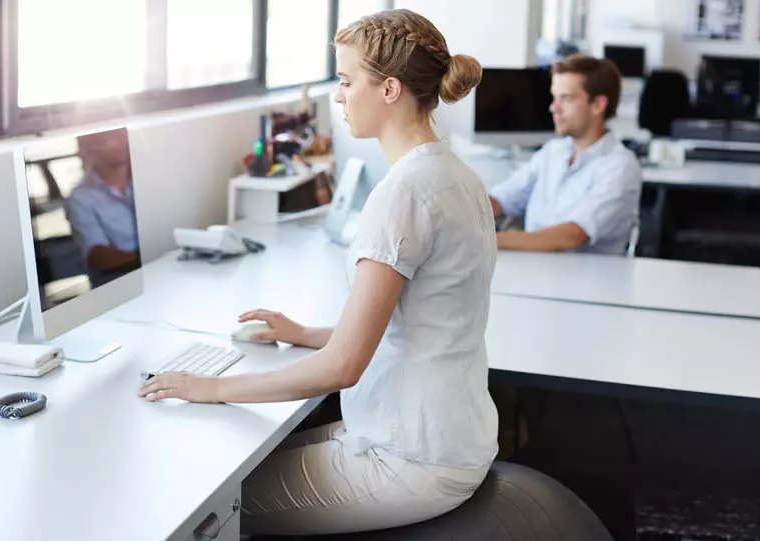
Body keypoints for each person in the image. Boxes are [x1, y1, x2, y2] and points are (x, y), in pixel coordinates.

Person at [138, 9, 499, 537]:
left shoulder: (402, 195)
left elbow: (342, 368)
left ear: (391, 90)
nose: (338, 95)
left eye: (348, 81)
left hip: (409, 459)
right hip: (447, 437)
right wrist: (306, 334)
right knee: (251, 455)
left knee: (205, 503)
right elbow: (417, 321)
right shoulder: (455, 175)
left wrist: (212, 387)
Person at [488, 55, 642, 255]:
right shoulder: (552, 152)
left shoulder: (620, 166)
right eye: (554, 98)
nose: (554, 108)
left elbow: (572, 235)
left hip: (587, 283)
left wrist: (489, 240)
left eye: (566, 98)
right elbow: (502, 199)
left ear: (598, 105)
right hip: (534, 272)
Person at [65, 129, 141, 287]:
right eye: (109, 138)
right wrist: (147, 257)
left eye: (122, 136)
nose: (121, 142)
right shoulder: (80, 198)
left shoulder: (146, 180)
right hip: (118, 287)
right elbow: (97, 255)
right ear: (90, 146)